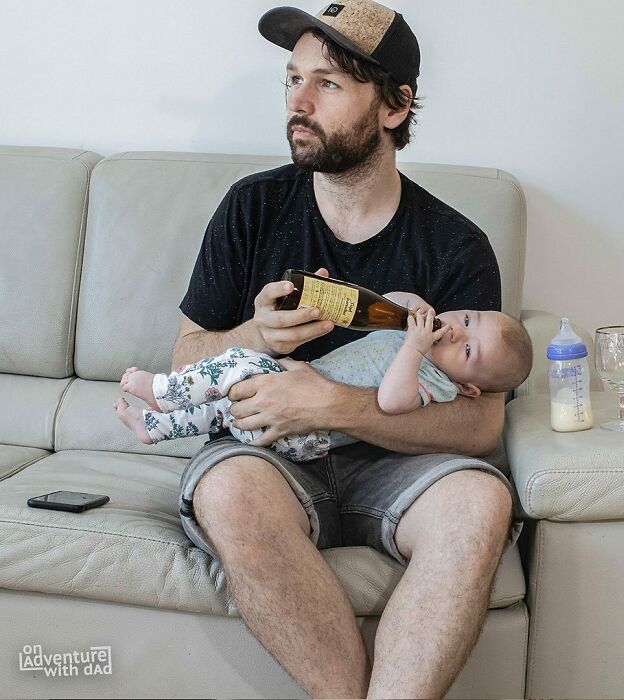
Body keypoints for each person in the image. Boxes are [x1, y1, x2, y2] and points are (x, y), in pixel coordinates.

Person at [172, 1, 520, 696]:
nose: (297, 103)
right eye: (293, 79)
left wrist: (333, 405)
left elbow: (482, 422)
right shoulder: (254, 207)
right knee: (228, 486)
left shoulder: (455, 246)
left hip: (400, 470)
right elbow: (186, 359)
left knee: (481, 504)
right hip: (272, 461)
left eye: (327, 84)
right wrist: (252, 337)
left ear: (394, 105)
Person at [114, 301, 533, 461]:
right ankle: (155, 426)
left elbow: (391, 401)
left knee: (242, 363)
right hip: (282, 406)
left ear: (467, 388)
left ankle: (163, 390)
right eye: (465, 320)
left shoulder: (434, 382)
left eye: (466, 351)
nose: (457, 332)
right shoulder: (418, 335)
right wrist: (412, 307)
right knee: (225, 411)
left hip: (305, 433)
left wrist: (416, 348)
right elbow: (390, 297)